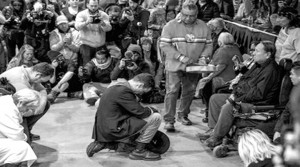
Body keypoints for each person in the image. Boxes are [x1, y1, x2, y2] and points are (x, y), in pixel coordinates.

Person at [198, 41, 281, 148]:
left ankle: (217, 137)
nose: (253, 53)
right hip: (244, 97)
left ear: (268, 54)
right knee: (215, 99)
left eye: (257, 51)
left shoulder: (271, 71)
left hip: (258, 105)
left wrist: (237, 99)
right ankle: (213, 130)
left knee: (229, 107)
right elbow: (242, 80)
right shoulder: (257, 65)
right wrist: (234, 93)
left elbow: (258, 95)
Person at [160, 3, 213, 131]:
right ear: (181, 12)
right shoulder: (170, 26)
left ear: (197, 14)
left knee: (190, 91)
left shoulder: (204, 26)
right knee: (172, 91)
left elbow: (208, 45)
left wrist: (203, 58)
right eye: (186, 15)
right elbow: (164, 45)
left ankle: (183, 115)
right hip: (174, 64)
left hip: (194, 65)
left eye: (192, 16)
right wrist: (180, 57)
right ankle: (169, 120)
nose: (188, 18)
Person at [87, 73, 162, 161]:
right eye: (143, 91)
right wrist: (152, 109)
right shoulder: (124, 91)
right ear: (140, 85)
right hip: (113, 130)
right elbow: (141, 112)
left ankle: (108, 143)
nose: (141, 94)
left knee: (135, 119)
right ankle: (139, 151)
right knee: (156, 117)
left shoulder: (116, 86)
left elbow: (97, 104)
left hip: (103, 129)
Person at [0, 62, 54, 143]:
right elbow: (22, 109)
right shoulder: (19, 80)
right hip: (5, 111)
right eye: (41, 81)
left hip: (13, 105)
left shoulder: (27, 72)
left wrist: (41, 106)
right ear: (38, 75)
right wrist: (35, 110)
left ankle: (27, 130)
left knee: (45, 104)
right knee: (25, 144)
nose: (40, 83)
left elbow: (42, 90)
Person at [197, 32, 242, 122]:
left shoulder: (222, 50)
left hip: (224, 79)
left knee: (205, 86)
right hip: (235, 78)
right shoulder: (236, 48)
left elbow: (219, 67)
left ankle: (209, 113)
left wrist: (208, 77)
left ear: (220, 42)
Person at [0, 89, 41, 167]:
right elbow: (17, 136)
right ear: (21, 102)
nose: (27, 111)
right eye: (28, 108)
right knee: (21, 148)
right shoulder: (7, 109)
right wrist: (25, 137)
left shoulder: (7, 100)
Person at [75, 0, 112, 66]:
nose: (93, 8)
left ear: (98, 5)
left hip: (100, 44)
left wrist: (103, 23)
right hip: (86, 44)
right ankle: (86, 76)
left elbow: (109, 29)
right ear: (87, 5)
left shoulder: (103, 15)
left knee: (101, 64)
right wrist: (86, 22)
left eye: (95, 6)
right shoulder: (81, 14)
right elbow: (77, 27)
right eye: (92, 6)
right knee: (87, 65)